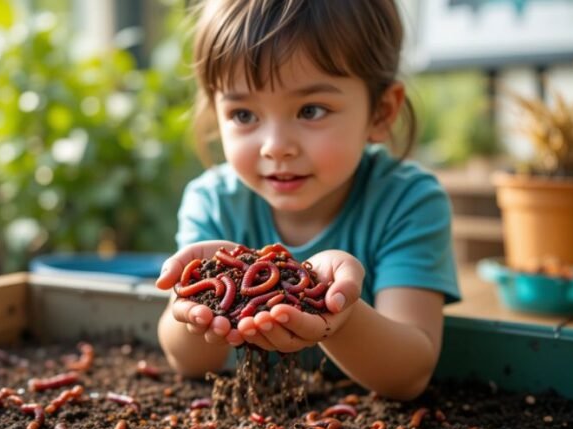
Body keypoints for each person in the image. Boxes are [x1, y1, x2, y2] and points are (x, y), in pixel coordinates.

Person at [155, 0, 459, 401]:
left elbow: (410, 375)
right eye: (244, 115)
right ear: (216, 112)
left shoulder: (408, 202)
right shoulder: (212, 202)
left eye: (311, 110)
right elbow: (186, 362)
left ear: (381, 113)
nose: (275, 147)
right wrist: (195, 300)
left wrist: (340, 317)